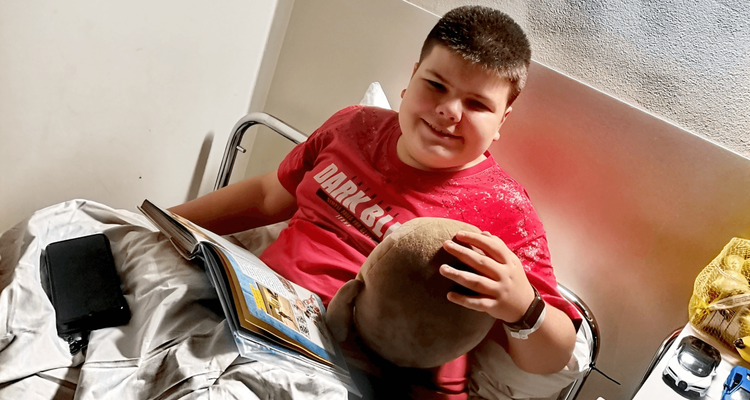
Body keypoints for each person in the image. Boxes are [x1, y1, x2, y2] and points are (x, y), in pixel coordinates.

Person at [170, 5, 580, 399]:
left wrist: (523, 308)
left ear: (501, 120)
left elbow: (553, 357)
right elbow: (267, 197)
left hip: (370, 379)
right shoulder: (354, 126)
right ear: (412, 78)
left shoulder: (504, 208)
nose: (448, 110)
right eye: (436, 85)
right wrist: (161, 223)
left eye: (477, 104)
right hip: (257, 320)